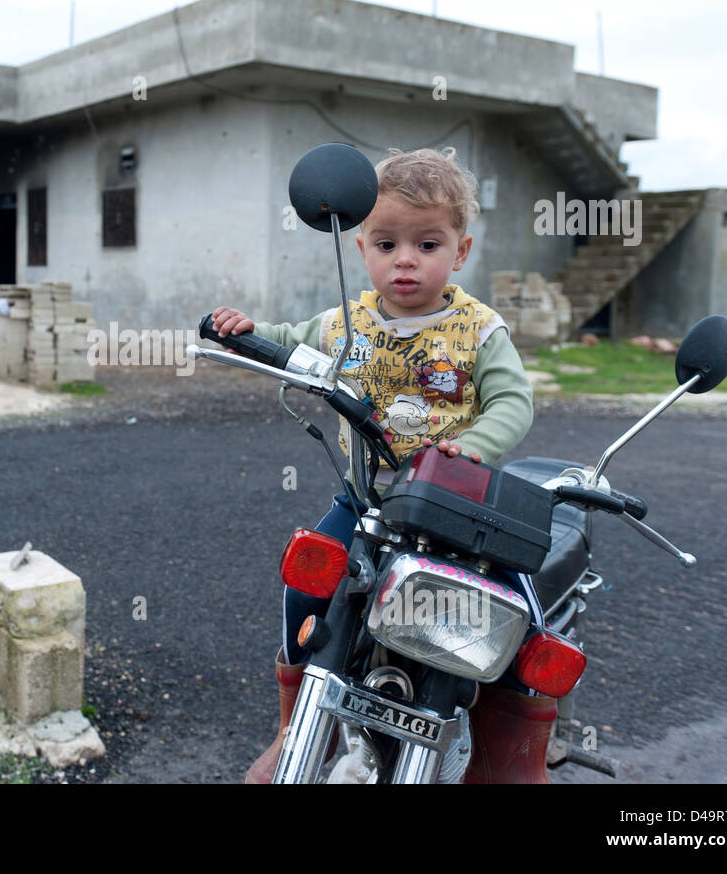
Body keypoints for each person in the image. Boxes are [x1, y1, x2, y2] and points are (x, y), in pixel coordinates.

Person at [208, 146, 534, 783]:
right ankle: (293, 725)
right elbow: (288, 339)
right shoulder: (345, 323)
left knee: (518, 610)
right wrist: (244, 328)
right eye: (386, 244)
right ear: (362, 250)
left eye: (427, 244)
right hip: (365, 502)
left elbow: (513, 401)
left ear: (460, 251)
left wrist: (476, 445)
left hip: (455, 509)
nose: (405, 260)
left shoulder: (479, 329)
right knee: (308, 575)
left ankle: (508, 742)